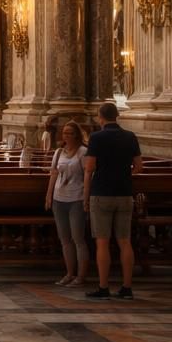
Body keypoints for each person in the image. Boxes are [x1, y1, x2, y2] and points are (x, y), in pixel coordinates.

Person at [83, 101, 143, 300]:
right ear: (117, 116)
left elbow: (90, 167)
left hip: (102, 192)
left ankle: (103, 286)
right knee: (124, 241)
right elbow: (138, 166)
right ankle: (127, 287)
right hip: (125, 192)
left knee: (102, 242)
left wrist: (86, 194)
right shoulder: (130, 136)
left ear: (100, 117)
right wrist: (123, 175)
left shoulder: (97, 137)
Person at [45, 120, 91, 287]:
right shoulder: (58, 152)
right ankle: (69, 273)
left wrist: (86, 198)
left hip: (76, 199)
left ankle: (81, 276)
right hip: (59, 198)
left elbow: (87, 177)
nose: (67, 136)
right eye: (65, 133)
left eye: (70, 133)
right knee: (65, 239)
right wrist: (48, 195)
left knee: (78, 238)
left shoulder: (83, 152)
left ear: (77, 135)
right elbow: (53, 174)